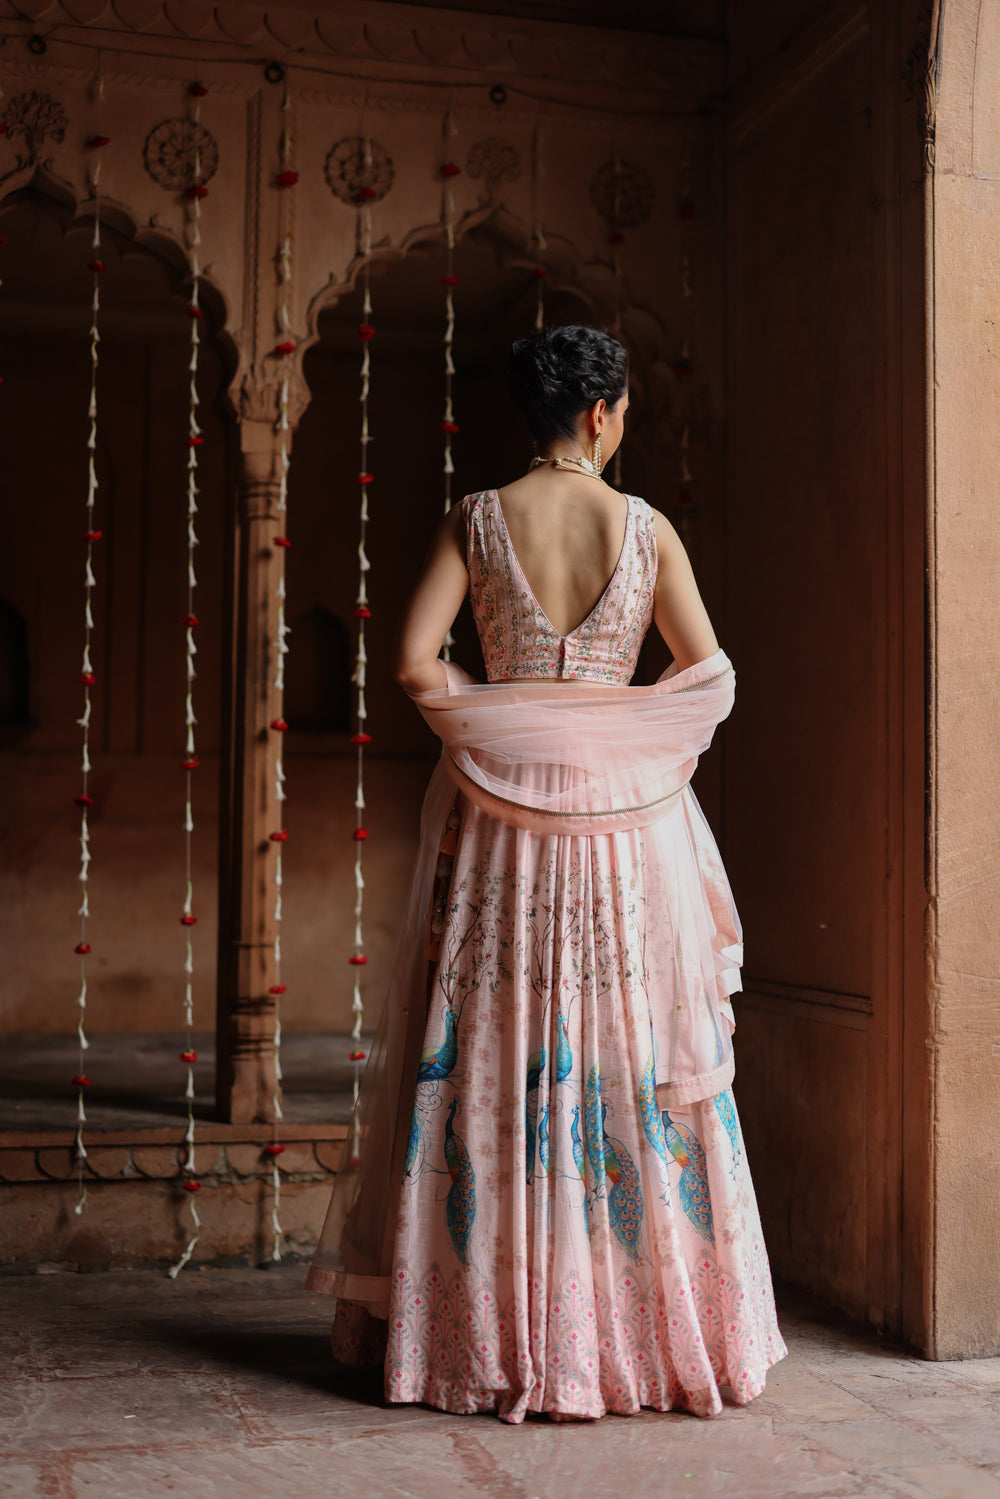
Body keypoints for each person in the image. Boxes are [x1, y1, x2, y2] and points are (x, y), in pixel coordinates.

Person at [306, 323, 787, 1422]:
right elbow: (706, 674)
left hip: (502, 833)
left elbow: (410, 663)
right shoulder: (647, 528)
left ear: (533, 414)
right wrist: (612, 734)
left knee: (488, 1048)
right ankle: (634, 1337)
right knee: (623, 1054)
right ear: (606, 411)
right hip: (621, 840)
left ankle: (477, 1334)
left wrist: (501, 724)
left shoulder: (476, 519)